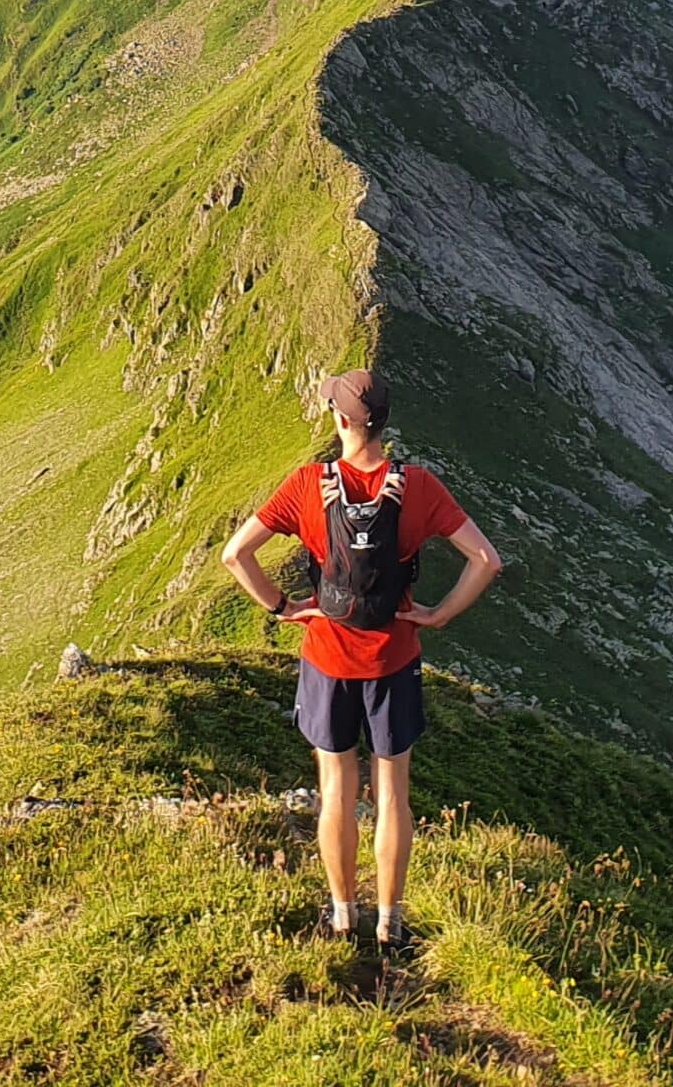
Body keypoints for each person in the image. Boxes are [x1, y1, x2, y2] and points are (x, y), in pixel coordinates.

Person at [220, 367, 503, 951]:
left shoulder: (306, 485)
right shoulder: (418, 487)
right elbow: (486, 560)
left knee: (336, 789)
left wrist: (283, 607)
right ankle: (391, 922)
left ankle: (344, 914)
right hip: (394, 659)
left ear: (343, 420)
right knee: (392, 792)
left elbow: (235, 555)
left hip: (328, 658)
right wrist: (440, 613)